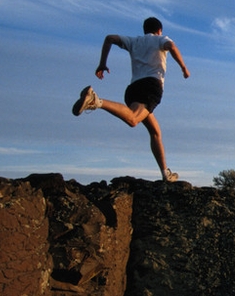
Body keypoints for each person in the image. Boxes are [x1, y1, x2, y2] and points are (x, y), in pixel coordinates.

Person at [72, 17, 190, 181]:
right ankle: (96, 101)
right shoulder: (160, 39)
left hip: (133, 89)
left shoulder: (135, 41)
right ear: (159, 30)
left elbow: (109, 38)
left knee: (155, 132)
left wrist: (102, 64)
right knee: (133, 119)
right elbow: (171, 46)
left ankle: (165, 173)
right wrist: (184, 68)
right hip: (151, 87)